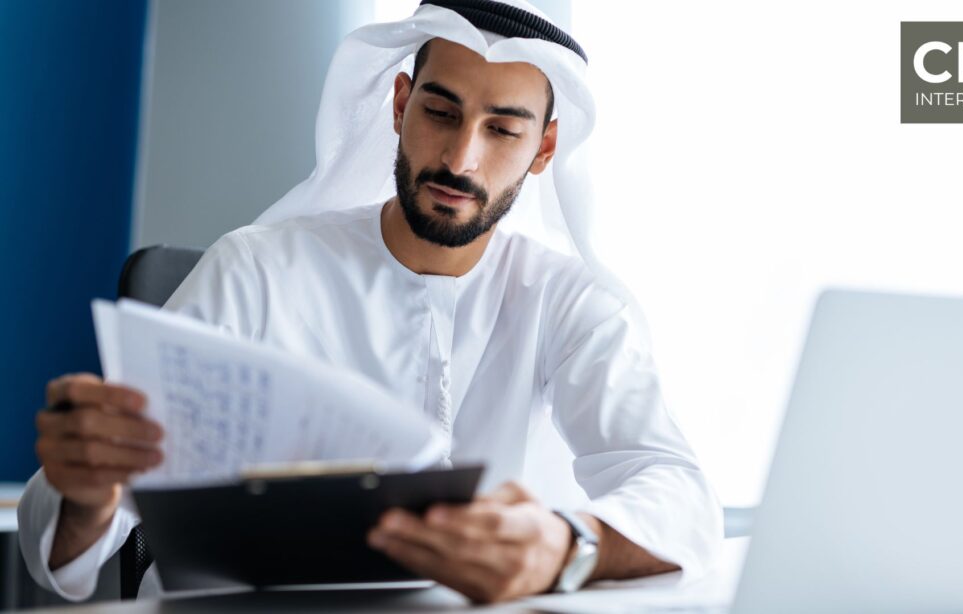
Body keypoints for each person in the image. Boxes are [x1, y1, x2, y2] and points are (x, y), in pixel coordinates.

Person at [19, 0, 723, 604]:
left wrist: (563, 544)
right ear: (397, 104)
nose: (459, 159)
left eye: (502, 130)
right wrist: (87, 490)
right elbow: (72, 540)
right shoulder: (258, 269)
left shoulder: (570, 303)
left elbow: (679, 495)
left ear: (543, 150)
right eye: (440, 112)